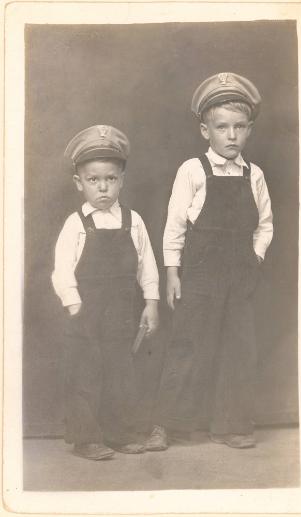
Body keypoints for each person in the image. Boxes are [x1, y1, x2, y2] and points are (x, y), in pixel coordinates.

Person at [146, 72, 273, 451]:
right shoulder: (193, 171)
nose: (231, 135)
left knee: (238, 348)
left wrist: (254, 256)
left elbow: (265, 225)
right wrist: (172, 273)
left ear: (249, 129)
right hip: (199, 275)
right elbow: (174, 226)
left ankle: (230, 425)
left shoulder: (255, 175)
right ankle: (166, 424)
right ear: (206, 131)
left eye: (239, 127)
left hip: (239, 277)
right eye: (222, 127)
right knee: (187, 344)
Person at [52, 125, 159, 460]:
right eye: (93, 180)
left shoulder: (133, 221)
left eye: (110, 179)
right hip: (86, 314)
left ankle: (120, 434)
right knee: (85, 373)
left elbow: (148, 266)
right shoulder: (76, 224)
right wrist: (74, 307)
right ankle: (87, 439)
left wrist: (151, 304)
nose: (102, 187)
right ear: (79, 183)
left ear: (121, 180)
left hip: (121, 314)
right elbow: (62, 271)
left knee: (120, 373)